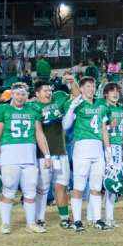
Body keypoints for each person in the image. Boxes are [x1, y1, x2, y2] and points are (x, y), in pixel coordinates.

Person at [0, 82, 52, 234]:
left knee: (30, 190)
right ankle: (5, 223)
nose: (20, 96)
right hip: (9, 156)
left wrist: (47, 155)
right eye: (17, 93)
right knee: (9, 189)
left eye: (23, 94)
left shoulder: (33, 110)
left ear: (27, 96)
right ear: (12, 94)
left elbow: (39, 134)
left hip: (29, 156)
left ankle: (31, 223)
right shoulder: (2, 110)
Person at [62, 77, 112, 232]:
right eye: (88, 86)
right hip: (82, 148)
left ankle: (97, 219)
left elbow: (104, 128)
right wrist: (71, 109)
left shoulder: (101, 105)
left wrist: (108, 150)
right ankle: (77, 220)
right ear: (82, 89)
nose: (91, 89)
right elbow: (65, 125)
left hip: (97, 149)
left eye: (93, 86)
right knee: (78, 186)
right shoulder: (77, 104)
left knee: (96, 187)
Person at [28, 78, 79, 229]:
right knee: (42, 188)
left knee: (62, 185)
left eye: (50, 90)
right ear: (37, 93)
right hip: (42, 153)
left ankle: (64, 218)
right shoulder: (31, 106)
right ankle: (39, 218)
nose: (49, 93)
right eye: (45, 90)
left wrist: (73, 82)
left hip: (60, 150)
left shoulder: (58, 98)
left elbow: (76, 96)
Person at [102, 82, 123, 228]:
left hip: (117, 146)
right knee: (101, 181)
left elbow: (122, 132)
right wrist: (108, 126)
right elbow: (96, 128)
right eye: (112, 91)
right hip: (104, 146)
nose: (115, 93)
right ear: (106, 93)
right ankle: (97, 217)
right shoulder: (103, 107)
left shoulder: (122, 109)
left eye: (117, 91)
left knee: (114, 181)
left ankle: (109, 217)